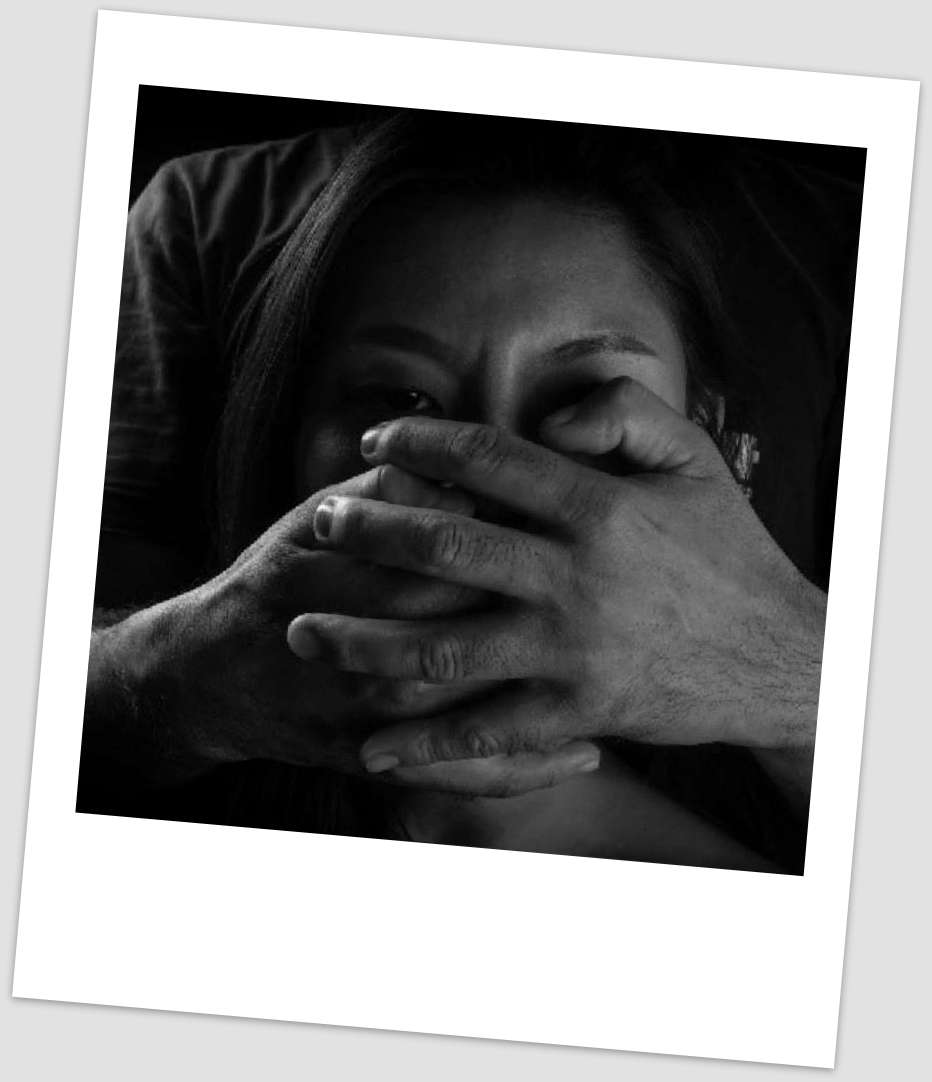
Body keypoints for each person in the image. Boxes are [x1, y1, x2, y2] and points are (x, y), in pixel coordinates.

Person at [78, 109, 862, 872]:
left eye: (580, 400)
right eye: (406, 401)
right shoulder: (201, 212)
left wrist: (792, 674)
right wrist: (186, 676)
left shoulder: (856, 239)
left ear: (708, 434)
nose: (493, 493)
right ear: (287, 430)